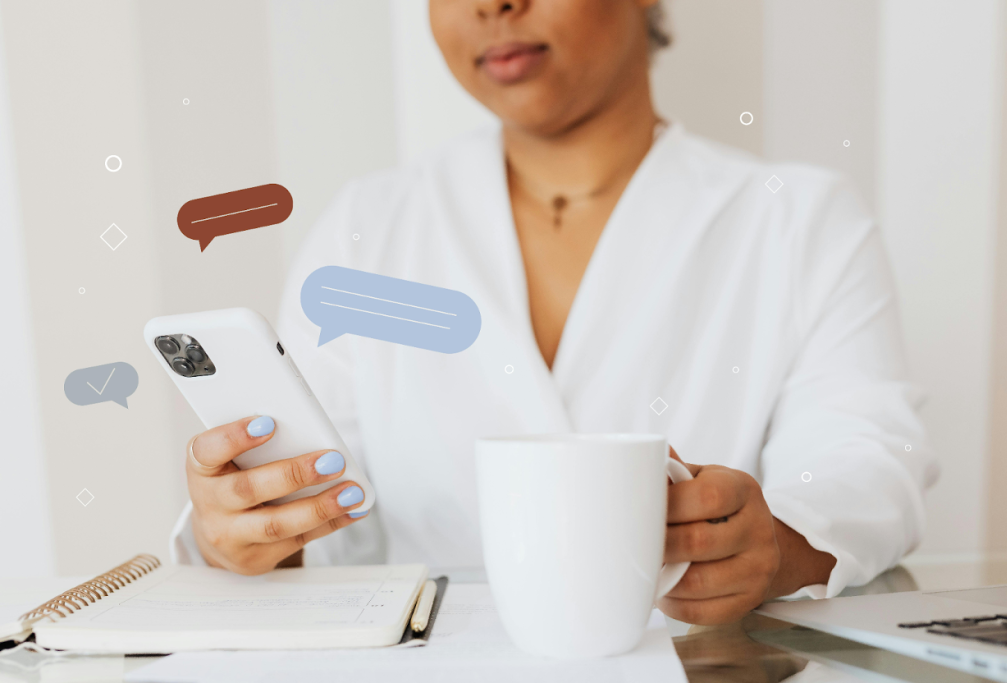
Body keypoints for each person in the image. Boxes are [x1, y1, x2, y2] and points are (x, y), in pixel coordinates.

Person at [171, 0, 939, 625]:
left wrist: (776, 543)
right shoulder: (367, 228)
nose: (491, 7)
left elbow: (867, 459)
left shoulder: (798, 219)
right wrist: (244, 533)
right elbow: (327, 518)